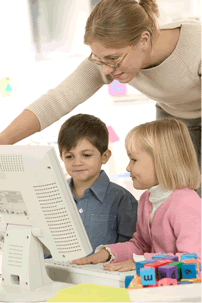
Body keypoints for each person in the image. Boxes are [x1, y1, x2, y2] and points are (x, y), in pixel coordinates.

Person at [0, 0, 200, 167]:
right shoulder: (109, 56)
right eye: (99, 59)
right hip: (173, 116)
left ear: (144, 40)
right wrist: (3, 141)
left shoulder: (196, 48)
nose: (106, 69)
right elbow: (57, 100)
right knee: (175, 192)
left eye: (113, 59)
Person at [70, 118, 201, 270]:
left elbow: (194, 259)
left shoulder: (186, 203)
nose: (128, 167)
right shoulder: (147, 199)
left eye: (134, 160)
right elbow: (141, 246)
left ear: (161, 161)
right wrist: (106, 253)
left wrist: (142, 262)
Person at [57, 113, 138, 253]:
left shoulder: (122, 199)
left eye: (86, 155)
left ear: (105, 156)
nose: (77, 162)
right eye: (69, 156)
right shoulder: (55, 196)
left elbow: (132, 248)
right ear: (61, 158)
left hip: (103, 273)